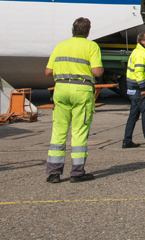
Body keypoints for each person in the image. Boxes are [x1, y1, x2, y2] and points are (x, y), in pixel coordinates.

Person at [45, 17, 103, 183]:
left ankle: (54, 173)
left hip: (61, 90)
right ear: (88, 31)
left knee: (58, 132)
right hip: (81, 91)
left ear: (73, 29)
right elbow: (97, 72)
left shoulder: (61, 45)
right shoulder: (91, 46)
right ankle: (77, 173)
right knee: (79, 132)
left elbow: (48, 71)